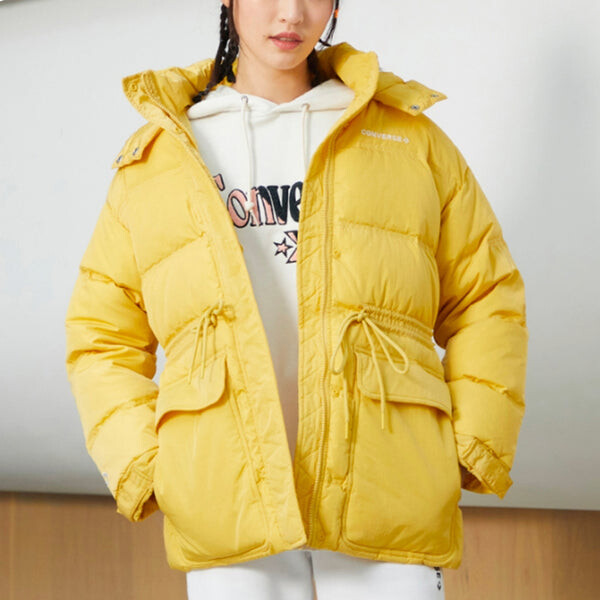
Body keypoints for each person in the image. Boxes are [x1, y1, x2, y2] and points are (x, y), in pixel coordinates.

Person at [65, 1, 529, 599]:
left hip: (389, 485)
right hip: (225, 496)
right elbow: (102, 333)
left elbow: (486, 298)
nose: (291, 13)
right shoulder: (162, 154)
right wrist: (149, 468)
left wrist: (467, 447)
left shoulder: (410, 139)